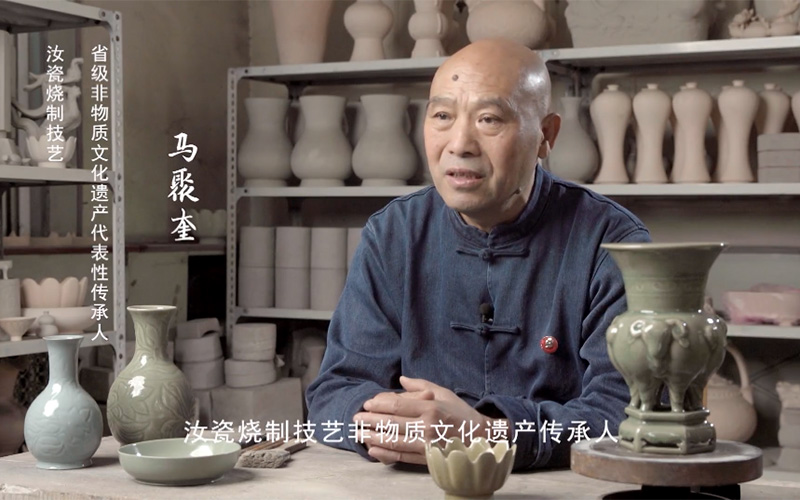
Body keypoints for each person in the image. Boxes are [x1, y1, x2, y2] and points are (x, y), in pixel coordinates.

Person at [306, 38, 650, 470]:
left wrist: (491, 434)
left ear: (546, 135)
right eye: (442, 116)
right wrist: (397, 426)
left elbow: (624, 412)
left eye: (489, 119)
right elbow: (335, 392)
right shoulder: (393, 234)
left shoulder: (612, 241)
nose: (460, 144)